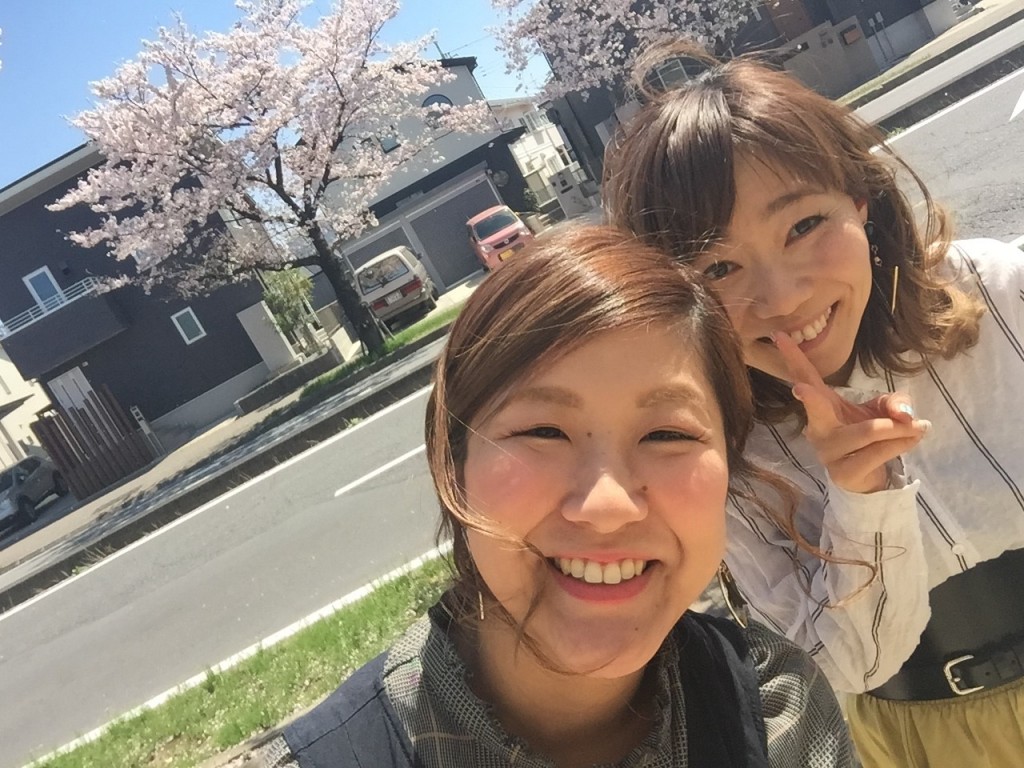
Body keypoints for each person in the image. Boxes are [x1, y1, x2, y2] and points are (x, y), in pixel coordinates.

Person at [257, 225, 856, 767]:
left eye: (667, 435)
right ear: (452, 462)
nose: (607, 505)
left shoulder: (780, 712)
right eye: (544, 432)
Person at [602, 40, 1024, 767]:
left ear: (860, 202)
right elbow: (847, 666)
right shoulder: (721, 449)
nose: (783, 298)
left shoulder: (998, 292)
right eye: (720, 267)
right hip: (920, 735)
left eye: (803, 226)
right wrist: (861, 498)